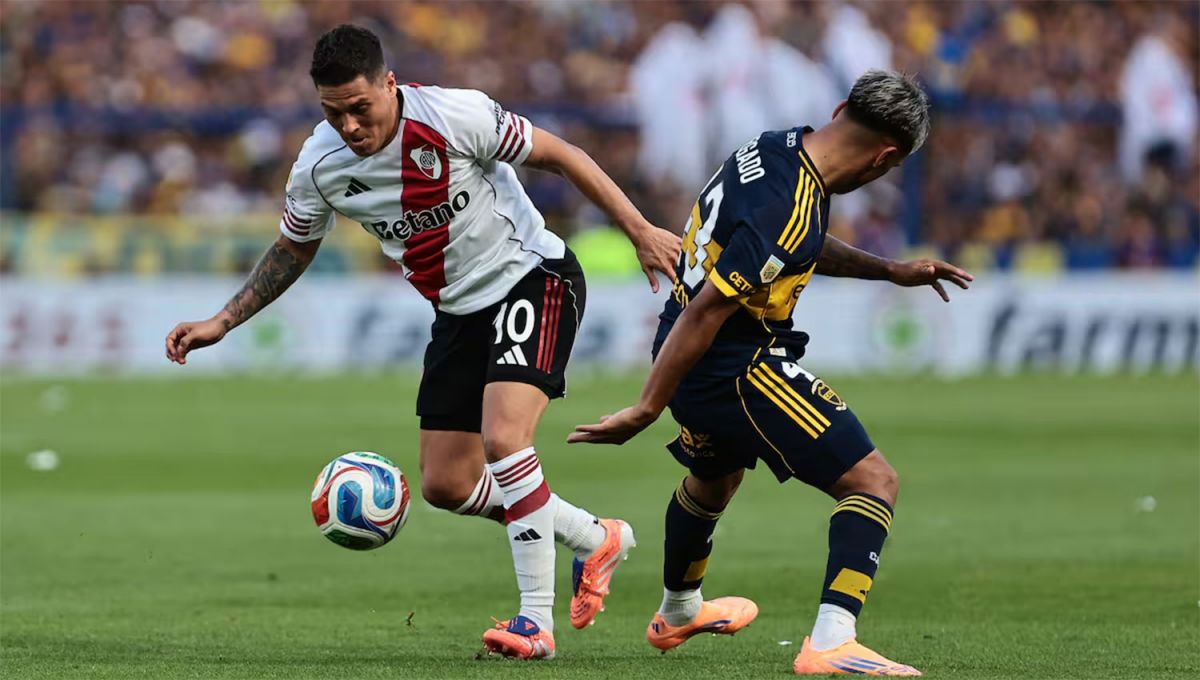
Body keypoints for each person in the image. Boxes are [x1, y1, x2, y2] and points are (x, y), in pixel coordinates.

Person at [164, 24, 680, 660]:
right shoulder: (319, 166)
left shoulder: (453, 115)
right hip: (458, 312)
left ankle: (534, 622)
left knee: (504, 440)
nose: (350, 125)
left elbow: (562, 154)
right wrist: (224, 320)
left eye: (360, 107)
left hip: (532, 276)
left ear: (389, 83)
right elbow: (294, 246)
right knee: (447, 483)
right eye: (333, 112)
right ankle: (596, 538)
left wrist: (638, 229)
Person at [569, 70, 972, 676]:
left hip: (684, 343)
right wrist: (646, 408)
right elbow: (713, 308)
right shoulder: (794, 203)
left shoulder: (773, 147)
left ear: (840, 109)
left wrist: (891, 270)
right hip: (732, 362)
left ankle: (678, 611)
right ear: (885, 158)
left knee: (714, 480)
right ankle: (832, 641)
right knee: (873, 481)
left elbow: (797, 244)